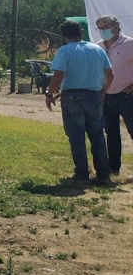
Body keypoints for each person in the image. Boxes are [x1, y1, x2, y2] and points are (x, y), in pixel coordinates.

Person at [45, 20, 113, 183]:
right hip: (95, 96)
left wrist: (49, 93)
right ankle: (103, 174)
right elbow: (110, 73)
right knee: (97, 135)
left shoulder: (64, 51)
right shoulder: (98, 49)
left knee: (76, 136)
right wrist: (103, 91)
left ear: (64, 35)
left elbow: (58, 75)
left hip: (72, 97)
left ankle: (82, 173)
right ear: (81, 33)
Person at [95, 15, 133, 176]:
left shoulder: (129, 44)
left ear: (116, 26)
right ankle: (114, 168)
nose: (103, 31)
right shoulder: (98, 46)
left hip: (127, 95)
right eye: (100, 28)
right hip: (106, 96)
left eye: (106, 27)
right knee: (111, 133)